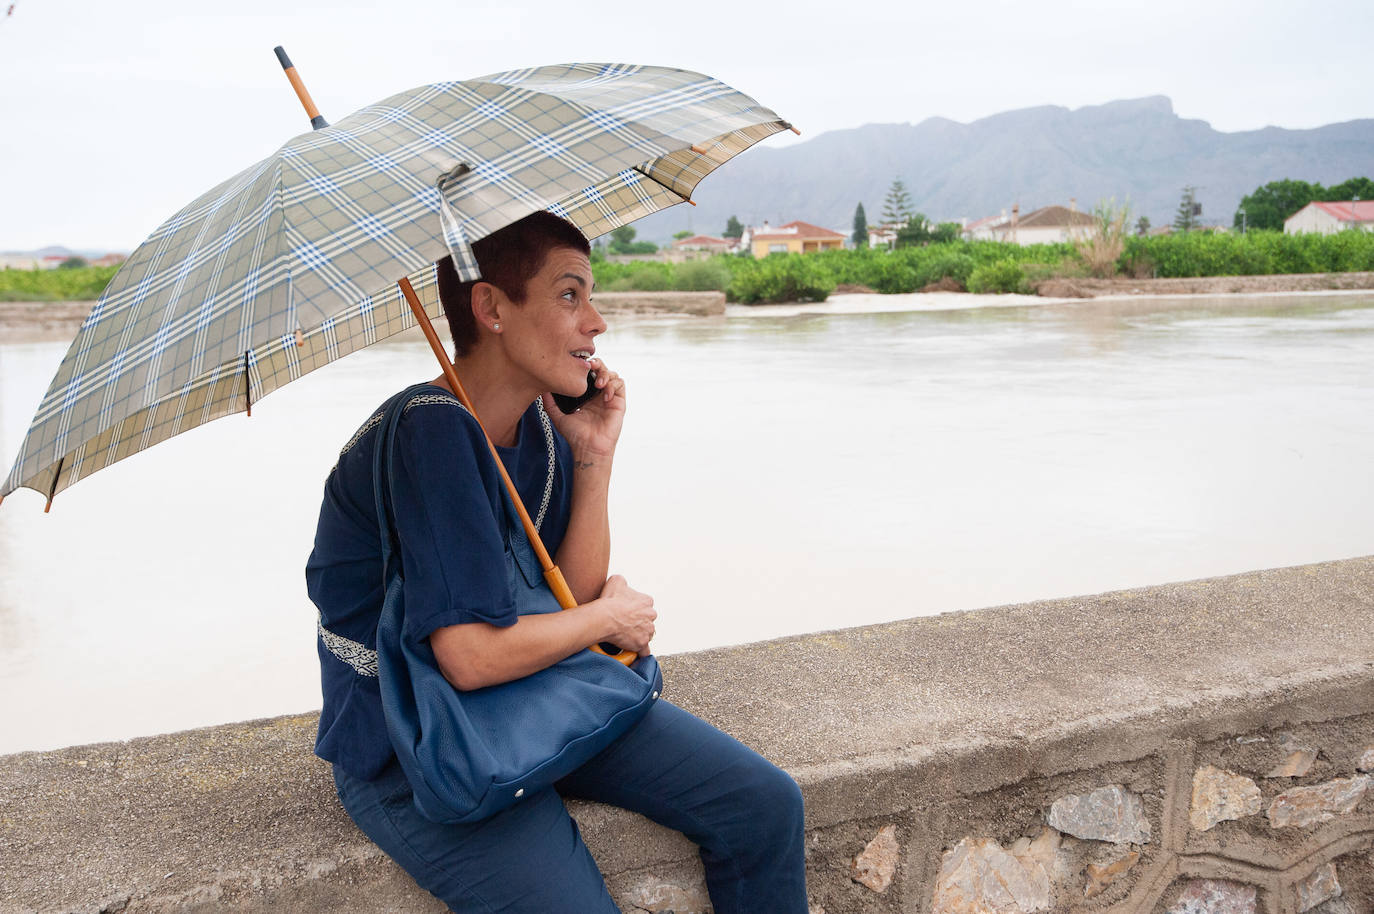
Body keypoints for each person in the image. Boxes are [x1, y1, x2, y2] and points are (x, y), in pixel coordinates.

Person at [306, 211, 808, 913]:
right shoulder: (431, 433)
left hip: (532, 688)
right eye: (570, 295)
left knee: (764, 807)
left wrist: (594, 455)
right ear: (491, 309)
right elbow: (471, 657)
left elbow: (567, 597)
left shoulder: (539, 423)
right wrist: (611, 614)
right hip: (420, 735)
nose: (596, 321)